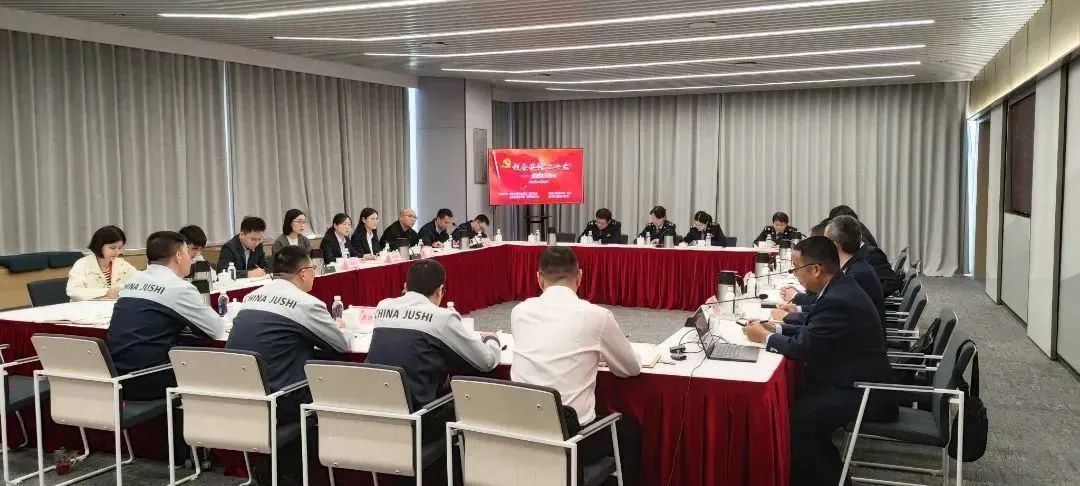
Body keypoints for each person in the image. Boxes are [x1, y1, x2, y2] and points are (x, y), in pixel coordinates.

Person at [743, 236, 896, 486]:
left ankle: (828, 478)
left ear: (815, 269)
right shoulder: (840, 286)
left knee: (797, 420)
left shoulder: (838, 298)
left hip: (864, 390)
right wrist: (776, 329)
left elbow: (804, 347)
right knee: (797, 406)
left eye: (796, 268)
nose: (795, 274)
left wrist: (766, 338)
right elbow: (814, 330)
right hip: (850, 377)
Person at [511, 246, 642, 485]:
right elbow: (629, 368)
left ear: (539, 278)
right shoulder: (596, 315)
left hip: (521, 434)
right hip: (572, 439)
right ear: (580, 277)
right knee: (629, 429)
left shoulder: (519, 312)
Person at [365, 259, 501, 441]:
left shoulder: (383, 306)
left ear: (405, 287)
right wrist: (492, 340)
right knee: (474, 403)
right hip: (421, 420)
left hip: (376, 415)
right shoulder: (442, 317)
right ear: (440, 290)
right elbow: (486, 361)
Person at [226, 246, 351, 423]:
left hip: (240, 395)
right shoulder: (306, 304)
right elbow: (342, 344)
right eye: (313, 269)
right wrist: (341, 327)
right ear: (304, 273)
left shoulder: (250, 297)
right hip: (282, 399)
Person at [107, 231, 224, 400]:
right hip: (151, 379)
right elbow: (216, 330)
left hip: (118, 377)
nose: (191, 259)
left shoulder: (132, 281)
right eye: (187, 253)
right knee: (216, 371)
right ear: (178, 256)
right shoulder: (178, 288)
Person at [774, 216, 887, 338]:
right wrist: (797, 310)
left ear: (833, 245)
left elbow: (827, 317)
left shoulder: (856, 274)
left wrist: (788, 316)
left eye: (824, 241)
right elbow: (826, 309)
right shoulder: (853, 266)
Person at [66, 225, 139, 301]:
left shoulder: (122, 264)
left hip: (114, 306)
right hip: (87, 307)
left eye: (120, 248)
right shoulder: (82, 264)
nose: (117, 252)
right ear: (99, 245)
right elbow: (73, 291)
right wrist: (106, 292)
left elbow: (139, 282)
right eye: (112, 248)